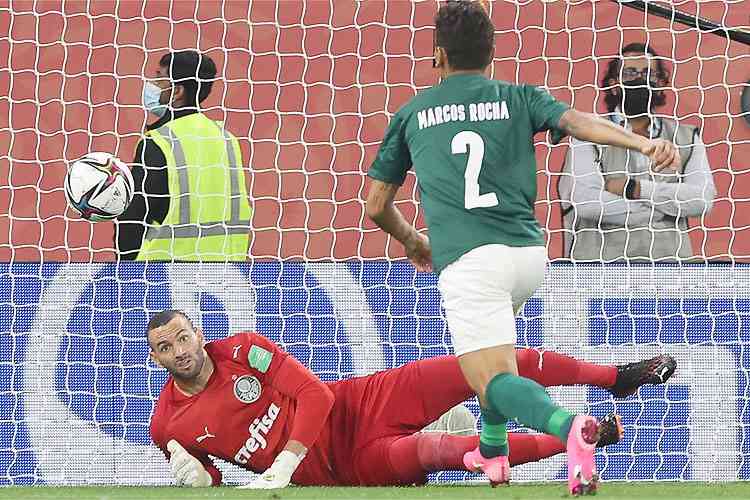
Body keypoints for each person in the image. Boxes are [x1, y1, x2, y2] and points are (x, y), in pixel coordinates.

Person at [363, 1, 681, 494]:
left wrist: (411, 239)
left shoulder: (413, 114)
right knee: (498, 361)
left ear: (437, 57)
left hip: (471, 262)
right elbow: (577, 121)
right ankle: (493, 452)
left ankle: (569, 428)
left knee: (489, 380)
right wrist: (642, 145)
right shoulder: (518, 96)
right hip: (528, 256)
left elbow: (376, 204)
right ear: (492, 54)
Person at [148, 309, 677, 490]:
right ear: (157, 360)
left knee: (482, 363)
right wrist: (199, 478)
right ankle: (575, 439)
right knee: (451, 452)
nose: (180, 351)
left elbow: (313, 396)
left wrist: (285, 460)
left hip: (358, 402)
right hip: (344, 468)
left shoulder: (241, 350)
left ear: (198, 332)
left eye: (184, 337)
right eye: (165, 348)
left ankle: (615, 377)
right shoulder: (168, 425)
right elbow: (211, 479)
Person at [559, 43, 716, 261]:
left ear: (660, 84)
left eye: (648, 74)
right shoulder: (586, 133)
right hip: (599, 273)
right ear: (614, 85)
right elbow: (587, 203)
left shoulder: (687, 136)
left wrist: (634, 188)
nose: (640, 79)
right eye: (630, 73)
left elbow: (702, 200)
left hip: (669, 271)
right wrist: (663, 208)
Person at [116, 50, 252, 261]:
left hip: (165, 277)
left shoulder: (159, 142)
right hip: (228, 273)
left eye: (159, 79)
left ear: (177, 91)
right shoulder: (228, 140)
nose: (151, 85)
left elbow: (133, 219)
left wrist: (125, 273)